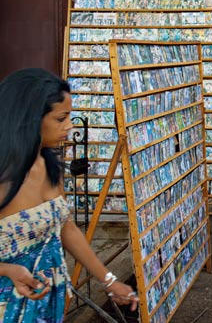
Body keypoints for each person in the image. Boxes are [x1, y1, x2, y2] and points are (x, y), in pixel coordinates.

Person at [0, 68, 138, 321]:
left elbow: (67, 228)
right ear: (29, 118)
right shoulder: (3, 178)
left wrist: (108, 280)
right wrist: (7, 269)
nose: (70, 126)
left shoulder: (49, 166)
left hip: (50, 299)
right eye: (61, 118)